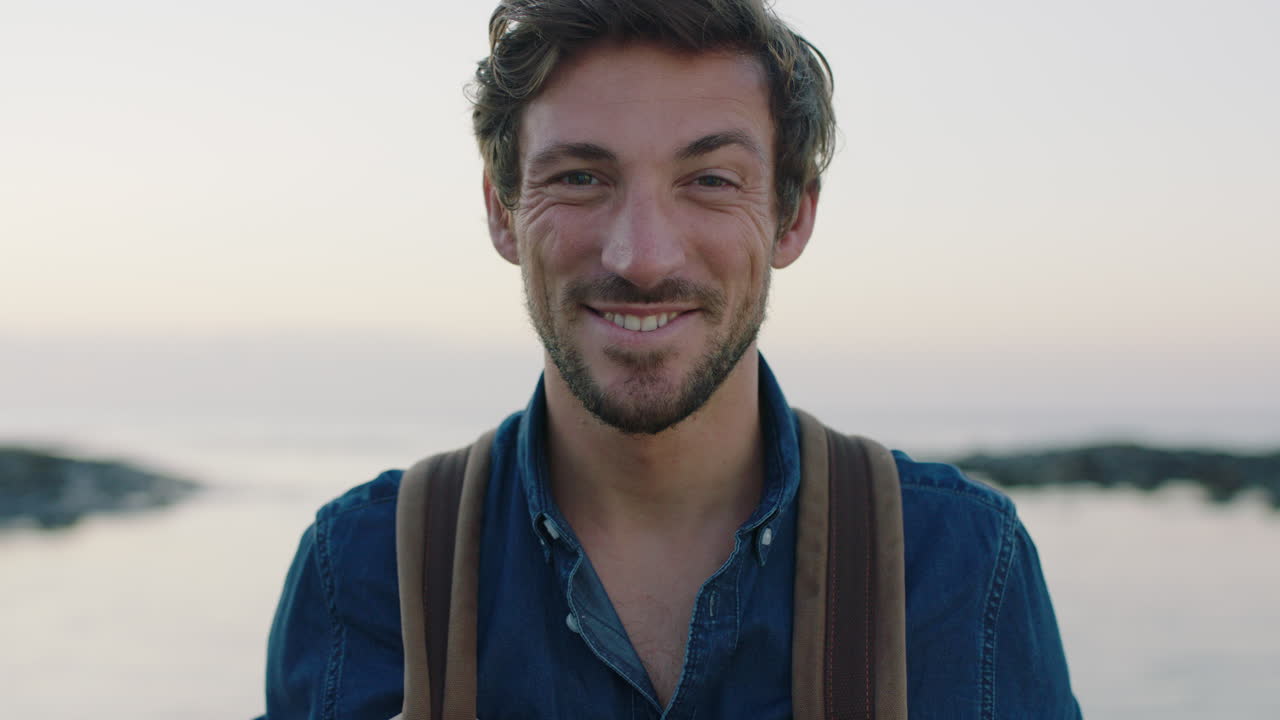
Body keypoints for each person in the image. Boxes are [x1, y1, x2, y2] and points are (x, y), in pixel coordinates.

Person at [259, 1, 1081, 717]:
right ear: (502, 211)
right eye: (581, 177)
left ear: (791, 216)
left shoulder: (962, 565)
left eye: (711, 180)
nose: (642, 256)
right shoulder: (362, 570)